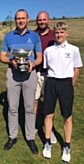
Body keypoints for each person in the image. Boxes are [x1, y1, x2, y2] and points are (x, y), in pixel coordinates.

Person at [0, 9, 42, 154]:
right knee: (12, 107)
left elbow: (39, 57)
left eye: (23, 18)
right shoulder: (8, 36)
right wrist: (12, 60)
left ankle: (30, 137)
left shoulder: (34, 36)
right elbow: (2, 57)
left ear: (28, 19)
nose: (21, 21)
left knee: (29, 107)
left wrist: (33, 64)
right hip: (13, 74)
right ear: (15, 20)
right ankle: (12, 136)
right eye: (18, 18)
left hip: (30, 74)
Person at [42, 22, 82, 162]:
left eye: (61, 32)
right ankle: (47, 143)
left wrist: (70, 84)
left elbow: (76, 68)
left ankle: (66, 146)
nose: (59, 35)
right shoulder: (49, 50)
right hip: (51, 82)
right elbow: (47, 69)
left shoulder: (73, 50)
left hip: (66, 83)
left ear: (66, 33)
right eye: (57, 32)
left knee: (67, 116)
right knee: (48, 115)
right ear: (54, 34)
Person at [34, 11, 57, 143]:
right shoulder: (32, 34)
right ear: (36, 21)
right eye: (39, 20)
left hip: (51, 74)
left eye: (44, 20)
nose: (42, 22)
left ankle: (50, 129)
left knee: (49, 103)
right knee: (35, 101)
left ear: (48, 20)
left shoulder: (55, 35)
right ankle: (35, 126)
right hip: (35, 72)